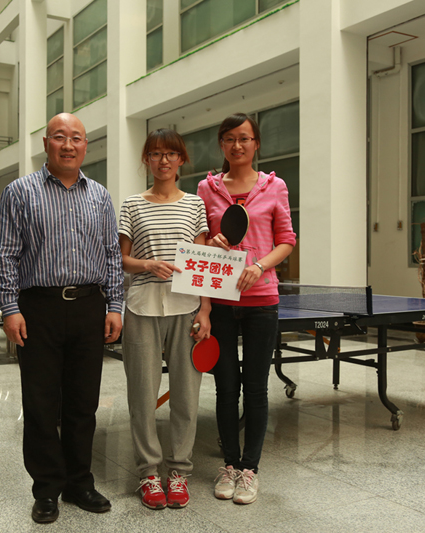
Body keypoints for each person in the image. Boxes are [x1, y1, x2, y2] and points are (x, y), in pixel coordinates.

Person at [0, 113, 124, 524]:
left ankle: (80, 483)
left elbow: (111, 254)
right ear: (46, 143)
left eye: (76, 138)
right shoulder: (20, 192)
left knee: (84, 402)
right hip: (39, 308)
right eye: (60, 137)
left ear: (86, 146)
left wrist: (115, 306)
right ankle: (47, 488)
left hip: (88, 306)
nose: (69, 145)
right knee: (41, 403)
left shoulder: (99, 196)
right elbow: (4, 254)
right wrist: (9, 308)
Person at [196, 113, 296, 505]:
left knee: (255, 387)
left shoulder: (275, 187)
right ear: (221, 145)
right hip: (221, 302)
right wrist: (212, 244)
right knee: (225, 388)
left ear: (256, 144)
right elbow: (200, 244)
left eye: (244, 138)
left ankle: (249, 469)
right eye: (229, 139)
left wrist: (260, 266)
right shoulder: (206, 189)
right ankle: (229, 464)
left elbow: (286, 240)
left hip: (261, 303)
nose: (237, 145)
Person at [119, 129, 211, 510]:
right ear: (146, 160)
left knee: (186, 397)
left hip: (186, 307)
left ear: (181, 159)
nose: (163, 161)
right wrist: (147, 265)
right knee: (143, 396)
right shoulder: (131, 205)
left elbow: (203, 264)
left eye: (171, 154)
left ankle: (179, 471)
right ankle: (148, 473)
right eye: (155, 154)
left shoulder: (195, 205)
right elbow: (121, 260)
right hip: (141, 307)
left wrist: (205, 310)